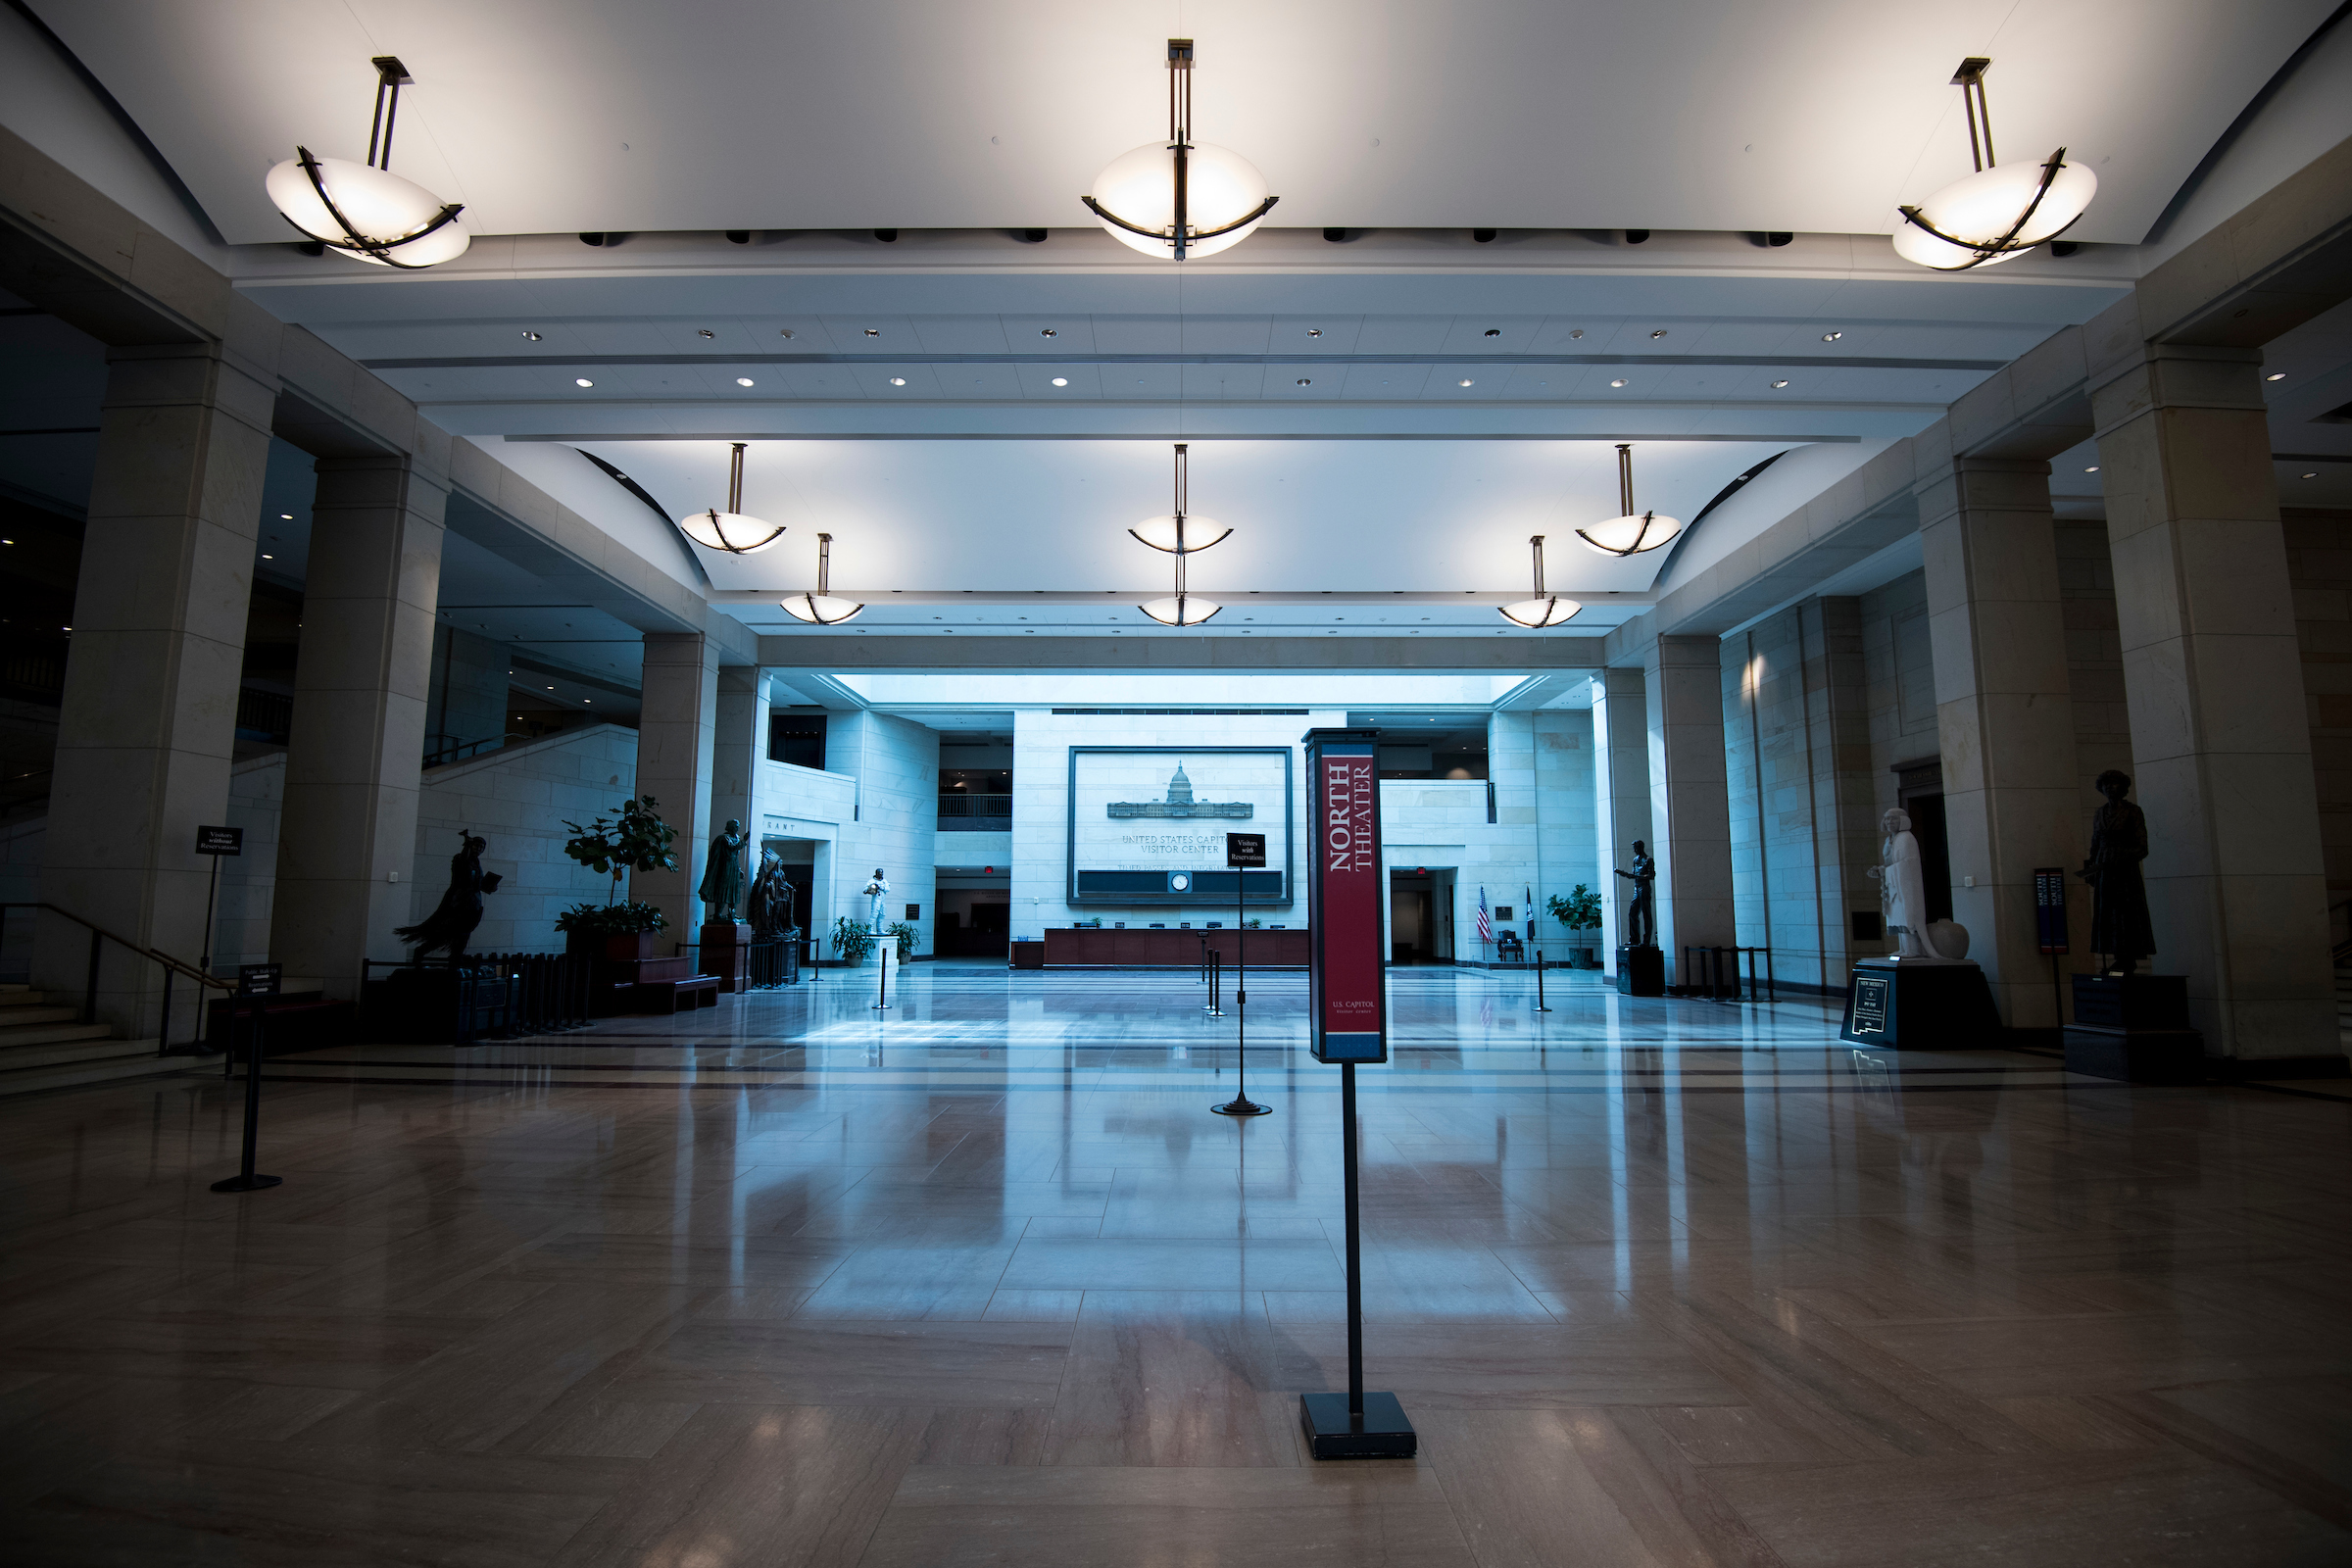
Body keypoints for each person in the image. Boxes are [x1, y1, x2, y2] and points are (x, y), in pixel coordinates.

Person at [2080, 769, 2156, 975]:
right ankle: (2116, 957)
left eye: (2114, 784)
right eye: (2106, 784)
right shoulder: (2100, 813)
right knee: (2108, 915)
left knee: (2126, 915)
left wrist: (2119, 856)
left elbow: (2142, 847)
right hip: (2105, 872)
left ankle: (2127, 958)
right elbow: (2094, 845)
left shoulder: (2133, 812)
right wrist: (2091, 870)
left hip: (2124, 873)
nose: (2109, 788)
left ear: (2123, 788)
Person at [396, 831, 501, 961]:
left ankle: (455, 958)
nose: (478, 849)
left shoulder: (476, 863)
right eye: (476, 846)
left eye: (481, 847)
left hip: (473, 906)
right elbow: (463, 872)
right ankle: (423, 953)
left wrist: (490, 886)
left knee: (463, 935)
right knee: (446, 934)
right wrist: (467, 846)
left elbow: (476, 884)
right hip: (460, 904)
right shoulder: (461, 859)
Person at [698, 818, 749, 921]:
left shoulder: (736, 838)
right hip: (725, 868)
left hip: (733, 868)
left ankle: (732, 913)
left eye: (737, 827)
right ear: (729, 827)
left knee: (733, 891)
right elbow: (732, 847)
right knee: (723, 891)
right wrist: (744, 840)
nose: (737, 828)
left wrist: (738, 870)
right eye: (735, 826)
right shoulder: (724, 838)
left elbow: (735, 856)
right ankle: (718, 913)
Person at [1615, 841, 1656, 949]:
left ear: (1641, 848)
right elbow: (1633, 874)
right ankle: (1634, 939)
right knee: (1632, 913)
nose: (1634, 850)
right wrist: (1626, 875)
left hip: (1644, 888)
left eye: (1636, 848)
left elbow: (1651, 875)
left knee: (1646, 914)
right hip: (1637, 888)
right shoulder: (1635, 860)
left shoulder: (1648, 860)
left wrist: (1638, 876)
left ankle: (1646, 940)